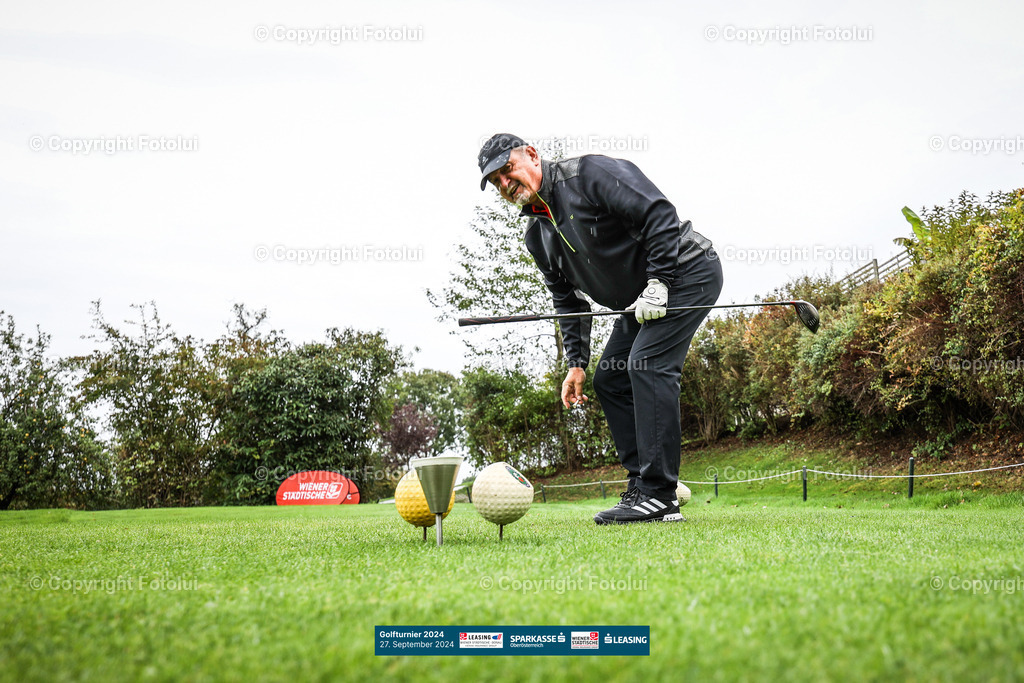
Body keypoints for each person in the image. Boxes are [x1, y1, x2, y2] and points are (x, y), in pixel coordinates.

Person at [477, 133, 724, 524]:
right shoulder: (538, 237)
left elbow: (658, 213)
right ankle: (645, 484)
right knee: (610, 380)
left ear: (532, 156)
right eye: (496, 181)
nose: (505, 184)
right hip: (642, 299)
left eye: (508, 170)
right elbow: (568, 301)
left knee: (647, 363)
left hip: (686, 270)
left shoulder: (588, 174)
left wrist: (659, 281)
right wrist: (576, 363)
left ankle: (659, 496)